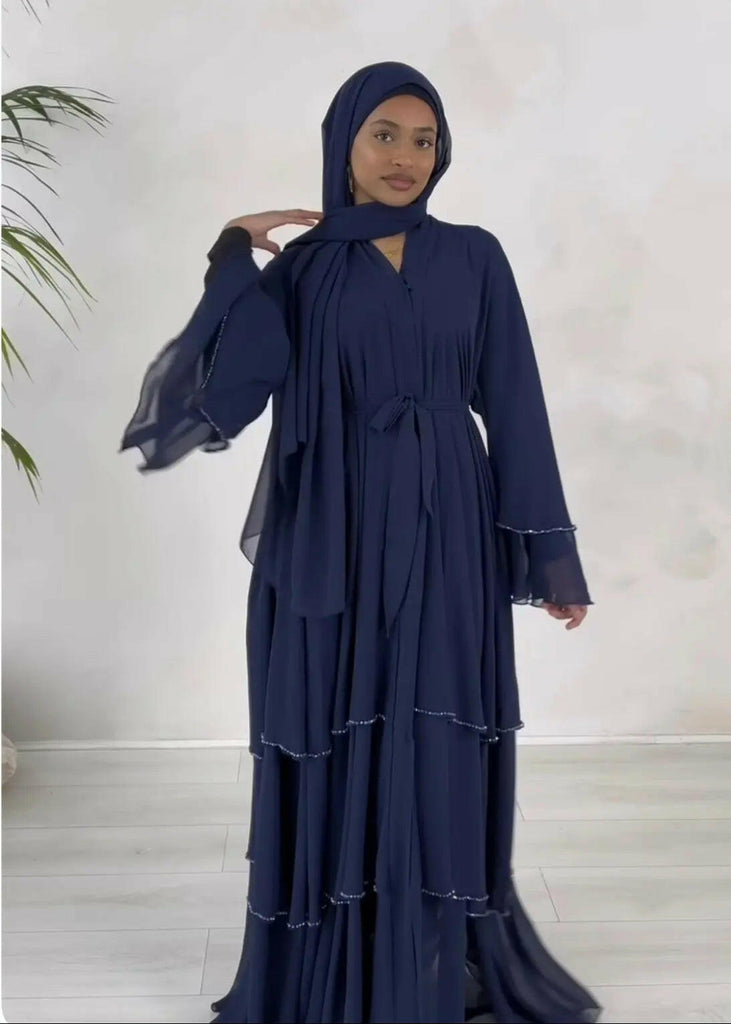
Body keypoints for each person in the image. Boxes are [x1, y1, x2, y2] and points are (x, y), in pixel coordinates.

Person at [120, 61, 601, 1024]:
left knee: (435, 726)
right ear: (343, 143)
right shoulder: (301, 271)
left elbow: (515, 403)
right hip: (330, 527)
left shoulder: (474, 256)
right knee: (340, 719)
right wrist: (230, 252)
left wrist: (550, 555)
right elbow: (227, 395)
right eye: (384, 134)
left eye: (424, 140)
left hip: (448, 524)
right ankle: (335, 957)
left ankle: (428, 950)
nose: (404, 157)